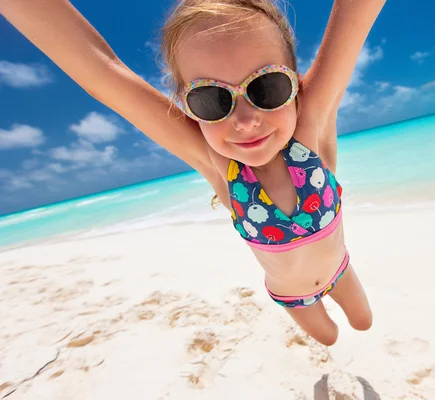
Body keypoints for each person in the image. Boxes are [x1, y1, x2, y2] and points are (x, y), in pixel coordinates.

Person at [1, 0, 385, 346]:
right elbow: (103, 72)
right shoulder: (220, 166)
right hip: (291, 295)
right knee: (330, 339)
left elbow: (357, 11)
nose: (246, 120)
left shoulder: (312, 128)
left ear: (296, 84)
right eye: (211, 99)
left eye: (266, 86)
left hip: (341, 268)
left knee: (364, 323)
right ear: (187, 107)